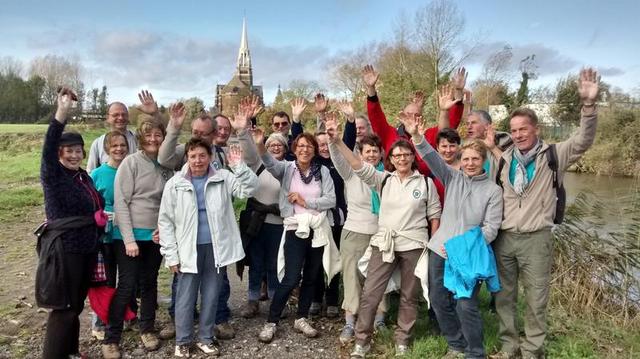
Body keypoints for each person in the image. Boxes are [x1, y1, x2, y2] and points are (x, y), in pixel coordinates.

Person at [491, 68, 600, 359]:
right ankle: (508, 344)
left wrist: (588, 105)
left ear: (535, 129)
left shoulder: (554, 154)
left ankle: (532, 349)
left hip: (537, 239)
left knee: (536, 299)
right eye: (513, 130)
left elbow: (584, 140)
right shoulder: (504, 159)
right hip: (505, 237)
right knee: (503, 296)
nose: (517, 135)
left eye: (523, 129)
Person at [325, 115, 441, 358]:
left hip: (414, 244)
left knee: (410, 296)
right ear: (390, 159)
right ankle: (362, 341)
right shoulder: (383, 180)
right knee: (371, 292)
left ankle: (402, 340)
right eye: (397, 156)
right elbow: (357, 165)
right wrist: (337, 142)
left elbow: (434, 215)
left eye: (406, 155)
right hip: (384, 243)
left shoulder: (427, 184)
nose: (402, 159)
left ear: (412, 157)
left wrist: (433, 243)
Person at [405, 114, 503, 359]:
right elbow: (430, 156)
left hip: (468, 255)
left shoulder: (493, 191)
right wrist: (416, 136)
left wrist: (461, 247)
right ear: (460, 160)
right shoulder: (452, 177)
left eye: (475, 159)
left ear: (483, 160)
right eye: (466, 159)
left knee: (465, 304)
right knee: (438, 300)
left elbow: (490, 228)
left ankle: (475, 352)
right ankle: (456, 344)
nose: (470, 163)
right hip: (440, 250)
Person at [158, 138, 258, 357]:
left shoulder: (223, 178)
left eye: (202, 155)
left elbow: (249, 189)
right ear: (187, 157)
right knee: (185, 297)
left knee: (212, 295)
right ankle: (183, 341)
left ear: (210, 157)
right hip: (187, 250)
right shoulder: (175, 183)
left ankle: (205, 337)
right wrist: (171, 254)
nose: (198, 160)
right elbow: (165, 221)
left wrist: (239, 167)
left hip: (216, 248)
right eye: (193, 156)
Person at [252, 129, 338, 343]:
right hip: (294, 228)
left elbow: (331, 200)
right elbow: (269, 163)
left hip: (317, 229)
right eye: (300, 146)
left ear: (315, 150)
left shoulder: (323, 172)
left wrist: (305, 202)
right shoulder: (287, 169)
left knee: (311, 276)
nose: (305, 149)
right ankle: (271, 322)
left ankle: (302, 317)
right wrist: (259, 143)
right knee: (291, 278)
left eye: (309, 146)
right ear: (294, 149)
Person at [38, 87, 105, 359]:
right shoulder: (54, 176)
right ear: (58, 153)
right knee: (63, 308)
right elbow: (48, 145)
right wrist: (61, 114)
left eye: (78, 150)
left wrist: (98, 218)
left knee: (76, 304)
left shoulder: (82, 177)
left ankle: (71, 352)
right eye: (69, 151)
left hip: (86, 248)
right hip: (65, 249)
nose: (75, 155)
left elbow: (92, 205)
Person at [102, 117, 173, 359]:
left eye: (158, 135)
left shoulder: (167, 166)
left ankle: (147, 329)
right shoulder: (131, 163)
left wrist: (164, 228)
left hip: (154, 236)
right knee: (127, 285)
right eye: (148, 135)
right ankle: (111, 338)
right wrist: (129, 239)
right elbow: (121, 201)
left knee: (150, 283)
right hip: (128, 237)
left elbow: (169, 203)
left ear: (164, 138)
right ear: (141, 139)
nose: (154, 139)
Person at [291, 95, 356, 318]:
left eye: (327, 144)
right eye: (320, 145)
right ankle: (316, 299)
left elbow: (346, 140)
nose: (324, 147)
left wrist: (349, 120)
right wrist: (297, 120)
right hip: (318, 219)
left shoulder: (341, 163)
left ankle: (332, 301)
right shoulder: (315, 166)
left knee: (335, 260)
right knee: (316, 263)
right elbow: (298, 142)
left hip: (338, 220)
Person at [362, 64, 465, 202]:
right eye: (409, 114)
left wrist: (458, 92)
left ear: (421, 117)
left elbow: (450, 125)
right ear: (402, 115)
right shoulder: (390, 134)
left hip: (424, 195)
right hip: (395, 193)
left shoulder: (429, 135)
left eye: (416, 114)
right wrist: (371, 89)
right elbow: (376, 115)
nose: (412, 117)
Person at [328, 131, 389, 344]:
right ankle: (350, 323)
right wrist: (332, 140)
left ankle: (379, 320)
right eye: (367, 151)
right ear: (360, 154)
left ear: (381, 154)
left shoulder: (387, 176)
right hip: (354, 232)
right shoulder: (351, 173)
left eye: (375, 151)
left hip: (380, 234)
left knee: (379, 280)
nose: (372, 154)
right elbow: (336, 158)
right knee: (351, 279)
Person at [235, 125, 288, 318]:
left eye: (279, 145)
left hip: (278, 222)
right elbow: (249, 152)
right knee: (256, 262)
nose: (275, 147)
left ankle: (275, 300)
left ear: (285, 148)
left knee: (275, 263)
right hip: (257, 222)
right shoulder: (257, 164)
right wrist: (244, 133)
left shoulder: (288, 168)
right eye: (271, 144)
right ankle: (252, 300)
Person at [89, 131, 129, 341]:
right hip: (104, 237)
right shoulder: (96, 174)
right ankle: (100, 322)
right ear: (106, 149)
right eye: (114, 146)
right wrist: (101, 215)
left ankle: (126, 315)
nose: (119, 149)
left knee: (128, 279)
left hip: (126, 235)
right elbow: (89, 204)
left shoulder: (131, 170)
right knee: (106, 280)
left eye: (122, 145)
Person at [86, 90, 158, 173]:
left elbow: (160, 137)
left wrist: (154, 114)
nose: (120, 118)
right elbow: (90, 174)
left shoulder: (139, 139)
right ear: (107, 118)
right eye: (115, 115)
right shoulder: (98, 144)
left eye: (124, 115)